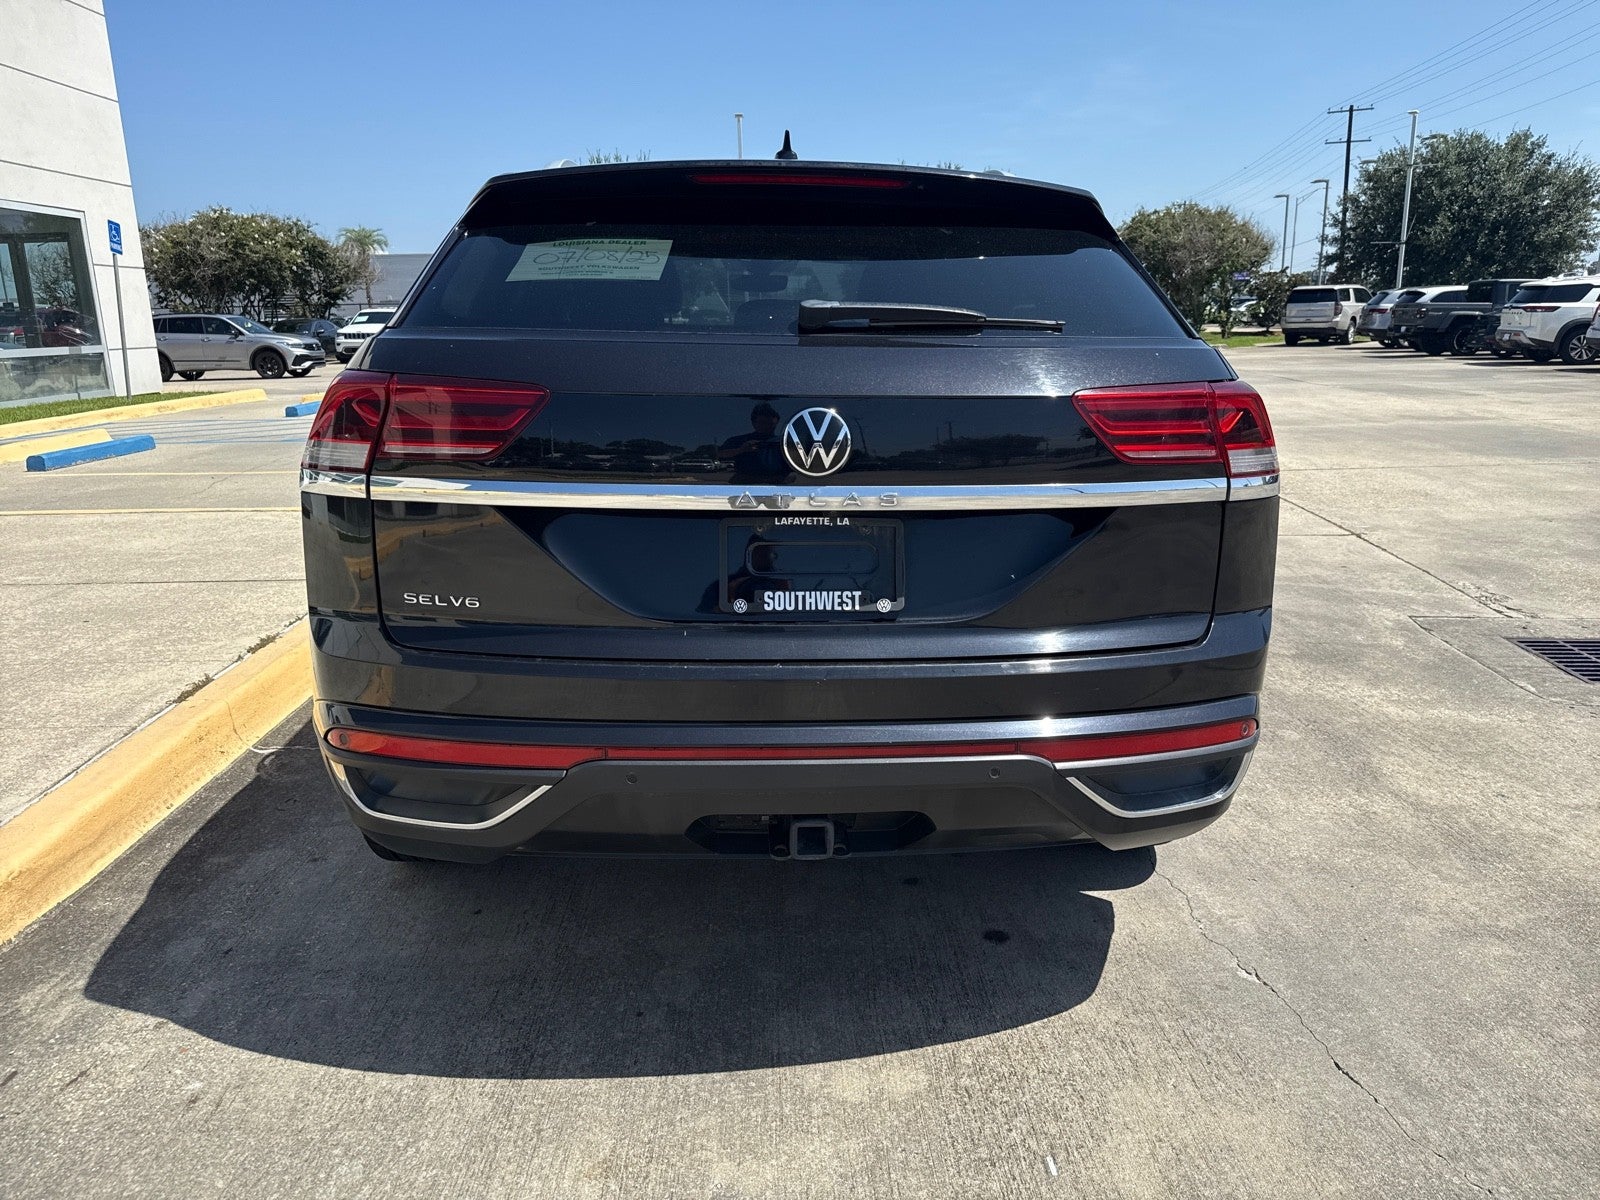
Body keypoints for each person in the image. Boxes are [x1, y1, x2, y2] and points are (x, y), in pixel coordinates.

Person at [717, 402, 789, 483]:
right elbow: (718, 455)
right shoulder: (738, 440)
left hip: (778, 488)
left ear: (776, 423)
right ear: (753, 423)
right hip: (741, 486)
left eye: (771, 424)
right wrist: (740, 450)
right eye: (762, 423)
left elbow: (795, 471)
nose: (766, 426)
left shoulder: (784, 443)